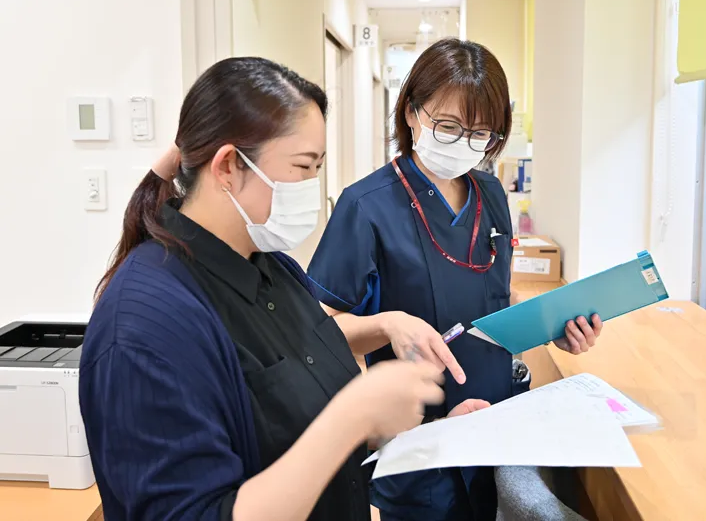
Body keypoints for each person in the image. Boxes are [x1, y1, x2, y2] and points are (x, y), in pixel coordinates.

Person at [78, 57, 450, 521]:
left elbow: (300, 420)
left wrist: (430, 434)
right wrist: (353, 415)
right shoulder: (144, 325)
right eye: (302, 167)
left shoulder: (272, 268)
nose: (312, 187)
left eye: (318, 167)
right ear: (229, 166)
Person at [307, 38, 604, 521]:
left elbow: (497, 297)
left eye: (481, 133)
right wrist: (388, 325)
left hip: (496, 424)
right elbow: (317, 335)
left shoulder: (491, 193)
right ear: (410, 113)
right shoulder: (366, 206)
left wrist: (558, 328)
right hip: (421, 441)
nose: (463, 143)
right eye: (448, 126)